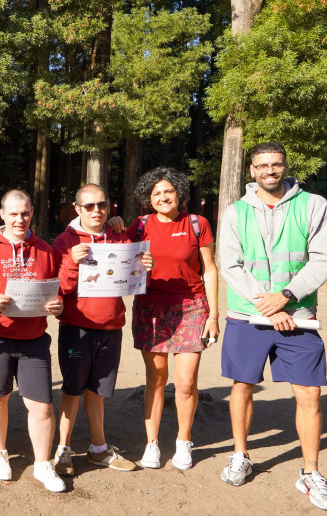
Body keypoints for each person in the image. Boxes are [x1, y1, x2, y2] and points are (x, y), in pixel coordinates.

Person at [218, 142, 327, 511]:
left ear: (285, 166)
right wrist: (267, 306)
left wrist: (285, 296)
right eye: (262, 166)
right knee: (243, 386)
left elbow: (322, 259)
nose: (269, 171)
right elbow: (230, 264)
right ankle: (241, 454)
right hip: (248, 315)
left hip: (298, 316)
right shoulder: (236, 211)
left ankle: (311, 472)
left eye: (276, 164)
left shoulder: (314, 205)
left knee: (310, 395)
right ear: (251, 171)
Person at [52, 184, 153, 477]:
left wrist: (146, 265)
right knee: (72, 390)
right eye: (90, 206)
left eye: (102, 205)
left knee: (98, 391)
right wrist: (72, 261)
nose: (97, 211)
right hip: (77, 328)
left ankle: (98, 449)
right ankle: (63, 450)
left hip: (111, 327)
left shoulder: (118, 237)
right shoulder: (64, 241)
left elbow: (132, 276)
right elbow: (60, 289)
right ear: (77, 209)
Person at [126, 167, 218, 471]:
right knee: (155, 379)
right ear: (148, 199)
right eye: (156, 193)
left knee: (186, 382)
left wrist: (214, 315)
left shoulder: (196, 224)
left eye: (168, 191)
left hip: (192, 307)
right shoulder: (138, 227)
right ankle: (151, 444)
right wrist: (139, 264)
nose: (163, 197)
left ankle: (183, 440)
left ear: (178, 193)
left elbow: (210, 270)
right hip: (150, 308)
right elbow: (118, 264)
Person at [0, 189, 65, 491]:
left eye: (24, 213)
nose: (19, 219)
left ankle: (42, 463)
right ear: (2, 215)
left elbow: (56, 289)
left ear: (32, 213)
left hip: (33, 339)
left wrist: (57, 303)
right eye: (13, 214)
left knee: (42, 406)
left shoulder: (45, 249)